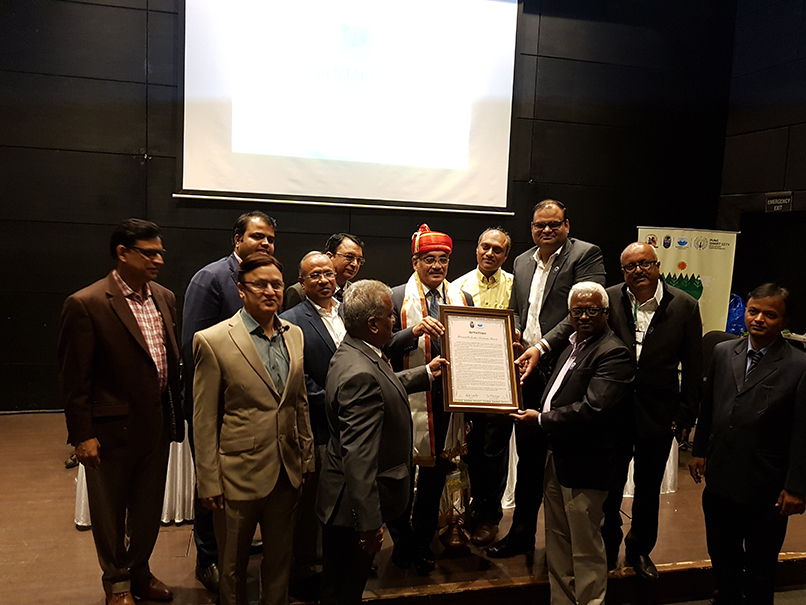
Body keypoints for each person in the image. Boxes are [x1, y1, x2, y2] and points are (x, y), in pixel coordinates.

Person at [58, 218, 184, 605]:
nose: (159, 260)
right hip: (110, 431)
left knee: (147, 510)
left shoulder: (164, 297)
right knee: (110, 514)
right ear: (122, 253)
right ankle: (117, 583)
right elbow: (74, 379)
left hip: (155, 425)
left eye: (161, 252)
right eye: (150, 253)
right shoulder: (88, 303)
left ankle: (140, 571)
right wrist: (83, 435)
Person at [192, 253, 314, 605]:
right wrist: (208, 480)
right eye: (260, 284)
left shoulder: (295, 335)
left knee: (280, 561)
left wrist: (307, 458)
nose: (270, 291)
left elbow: (299, 402)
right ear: (241, 290)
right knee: (232, 566)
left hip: (286, 471)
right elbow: (204, 419)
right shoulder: (213, 340)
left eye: (276, 284)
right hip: (237, 474)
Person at [488, 199, 606, 558]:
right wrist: (514, 333)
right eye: (540, 225)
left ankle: (574, 544)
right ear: (531, 228)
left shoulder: (586, 255)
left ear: (567, 225)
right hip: (527, 372)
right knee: (528, 459)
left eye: (554, 224)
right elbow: (518, 311)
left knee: (567, 460)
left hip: (566, 370)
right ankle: (522, 535)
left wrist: (541, 346)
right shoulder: (522, 261)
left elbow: (582, 311)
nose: (547, 230)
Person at [316, 280, 446, 604]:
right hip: (351, 510)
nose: (394, 321)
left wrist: (424, 374)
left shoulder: (355, 351)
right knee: (344, 591)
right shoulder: (360, 374)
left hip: (344, 502)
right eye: (390, 316)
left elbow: (381, 384)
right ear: (373, 324)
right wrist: (369, 523)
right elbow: (359, 458)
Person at [512, 282, 633, 605]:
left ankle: (591, 601)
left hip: (586, 464)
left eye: (592, 310)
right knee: (558, 540)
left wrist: (540, 419)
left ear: (606, 312)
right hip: (558, 458)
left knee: (585, 545)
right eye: (577, 311)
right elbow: (558, 392)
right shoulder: (572, 344)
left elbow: (593, 409)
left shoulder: (613, 352)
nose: (584, 316)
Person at [690, 283, 806, 605]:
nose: (758, 319)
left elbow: (802, 431)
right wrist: (698, 452)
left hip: (766, 487)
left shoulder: (799, 365)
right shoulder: (723, 351)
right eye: (753, 311)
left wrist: (797, 487)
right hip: (721, 480)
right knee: (722, 557)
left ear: (784, 320)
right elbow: (709, 405)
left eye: (770, 315)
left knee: (760, 568)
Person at [181, 210, 277, 593]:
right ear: (237, 239)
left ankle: (233, 546)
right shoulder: (210, 278)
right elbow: (194, 347)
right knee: (213, 482)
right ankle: (207, 559)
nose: (265, 243)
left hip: (253, 405)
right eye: (257, 237)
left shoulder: (267, 279)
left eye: (270, 239)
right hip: (218, 404)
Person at [602, 242, 703, 577]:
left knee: (648, 489)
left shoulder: (684, 305)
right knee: (609, 486)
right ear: (623, 272)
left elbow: (694, 365)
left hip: (658, 414)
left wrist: (686, 414)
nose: (639, 271)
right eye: (630, 266)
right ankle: (607, 546)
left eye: (645, 263)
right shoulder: (609, 299)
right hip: (613, 411)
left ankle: (639, 550)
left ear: (658, 266)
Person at [385, 224, 473, 575]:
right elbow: (381, 348)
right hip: (406, 399)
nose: (437, 266)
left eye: (443, 260)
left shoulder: (463, 298)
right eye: (429, 259)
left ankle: (421, 542)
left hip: (447, 401)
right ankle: (401, 542)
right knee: (400, 481)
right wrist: (414, 330)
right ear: (415, 262)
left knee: (434, 480)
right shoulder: (394, 298)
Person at [279, 252, 346, 599]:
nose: (323, 280)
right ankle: (307, 567)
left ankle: (342, 561)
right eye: (315, 275)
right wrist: (335, 401)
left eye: (328, 274)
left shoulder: (350, 311)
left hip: (354, 427)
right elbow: (298, 377)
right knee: (313, 502)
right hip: (318, 424)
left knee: (348, 496)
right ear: (301, 283)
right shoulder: (290, 321)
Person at [455, 227, 515, 546]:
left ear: (506, 255)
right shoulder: (457, 287)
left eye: (497, 249)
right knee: (469, 452)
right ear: (477, 249)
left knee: (494, 451)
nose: (490, 253)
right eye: (485, 247)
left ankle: (490, 516)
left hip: (502, 381)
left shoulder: (516, 286)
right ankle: (469, 510)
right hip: (467, 380)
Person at [285, 233, 365, 310]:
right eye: (349, 257)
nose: (355, 264)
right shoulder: (299, 291)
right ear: (329, 256)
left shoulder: (356, 292)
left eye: (359, 260)